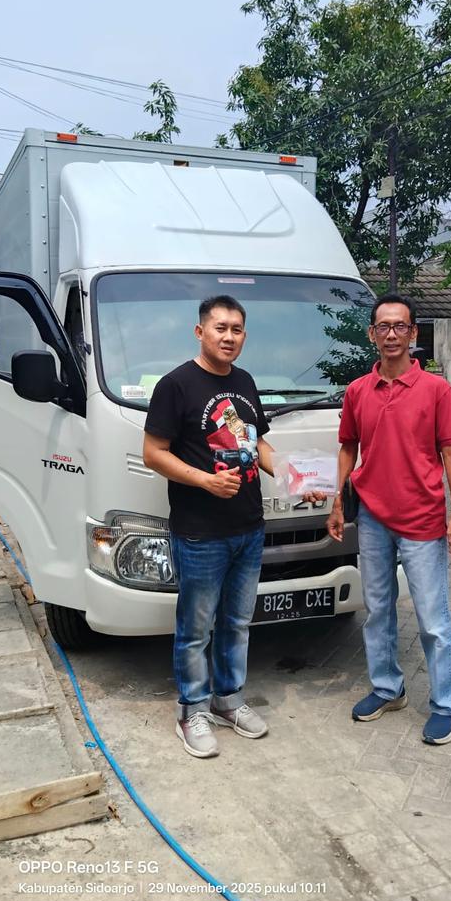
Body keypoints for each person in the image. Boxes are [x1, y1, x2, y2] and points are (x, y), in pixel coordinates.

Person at [327, 293, 451, 746]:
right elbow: (348, 446)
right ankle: (388, 689)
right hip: (372, 518)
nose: (391, 334)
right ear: (372, 334)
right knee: (377, 611)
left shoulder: (436, 390)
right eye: (383, 326)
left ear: (412, 333)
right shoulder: (358, 391)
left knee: (432, 618)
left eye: (399, 326)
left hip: (423, 519)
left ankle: (445, 703)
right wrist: (337, 500)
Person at [142, 295, 276, 758]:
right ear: (200, 332)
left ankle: (228, 699)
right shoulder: (175, 385)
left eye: (237, 329)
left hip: (249, 527)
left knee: (237, 623)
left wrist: (296, 477)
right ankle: (192, 710)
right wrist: (205, 480)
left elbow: (258, 443)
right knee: (196, 629)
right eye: (220, 328)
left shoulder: (245, 381)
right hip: (200, 532)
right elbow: (153, 453)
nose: (229, 337)